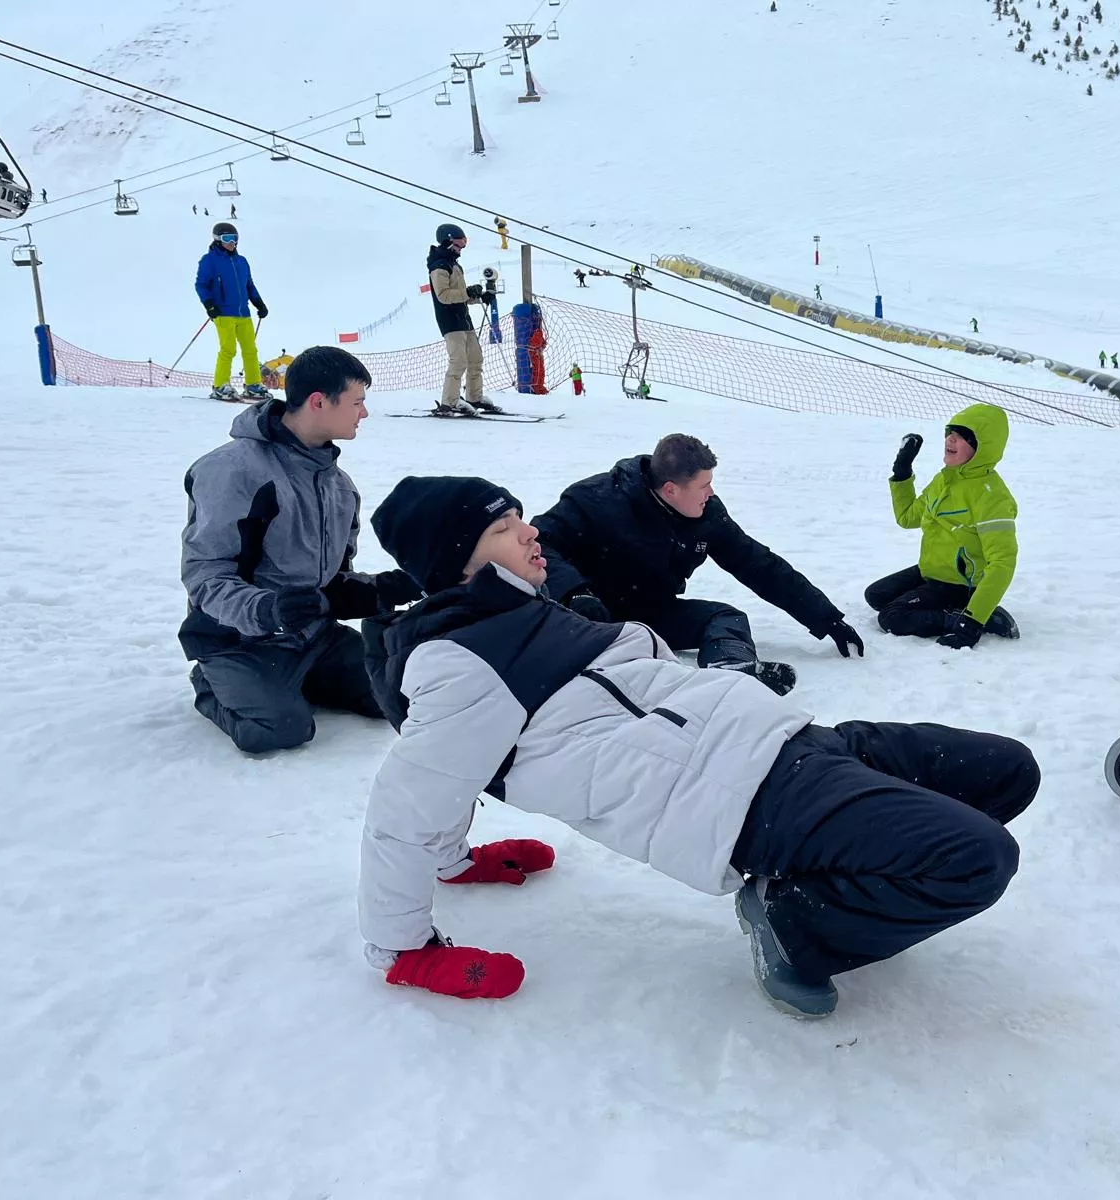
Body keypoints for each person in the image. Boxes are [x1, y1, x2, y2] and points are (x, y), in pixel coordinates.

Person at [357, 476, 1040, 1016]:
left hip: (793, 740)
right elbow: (409, 802)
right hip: (745, 800)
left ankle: (850, 883)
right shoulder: (459, 663)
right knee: (978, 858)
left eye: (520, 517)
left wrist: (459, 862)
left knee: (1008, 770)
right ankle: (796, 922)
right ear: (460, 562)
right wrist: (404, 949)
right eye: (505, 529)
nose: (532, 532)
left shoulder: (526, 609)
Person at [179, 346, 422, 754]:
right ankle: (213, 684)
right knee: (280, 730)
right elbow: (206, 575)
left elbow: (333, 579)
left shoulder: (338, 485)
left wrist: (380, 589)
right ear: (318, 402)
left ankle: (302, 678)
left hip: (314, 638)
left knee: (400, 695)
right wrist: (267, 610)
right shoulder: (233, 471)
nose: (364, 414)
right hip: (239, 641)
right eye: (357, 402)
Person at [532, 434, 864, 695]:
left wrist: (827, 618)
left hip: (649, 613)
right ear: (671, 489)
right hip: (588, 617)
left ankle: (731, 669)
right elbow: (539, 540)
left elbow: (758, 564)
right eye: (704, 485)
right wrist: (574, 593)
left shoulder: (708, 515)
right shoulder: (596, 499)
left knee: (725, 616)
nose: (711, 492)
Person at [865, 403, 1020, 647]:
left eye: (962, 436)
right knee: (876, 595)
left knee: (892, 617)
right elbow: (907, 517)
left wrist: (972, 621)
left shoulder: (992, 497)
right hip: (932, 571)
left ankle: (963, 615)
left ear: (983, 447)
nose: (950, 439)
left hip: (960, 583)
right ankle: (952, 608)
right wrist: (902, 472)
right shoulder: (945, 479)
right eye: (950, 432)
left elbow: (1003, 563)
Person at [427, 222, 505, 417]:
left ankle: (473, 397)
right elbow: (443, 295)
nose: (460, 249)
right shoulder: (439, 266)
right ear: (446, 241)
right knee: (459, 361)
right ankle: (450, 402)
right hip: (450, 321)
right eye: (458, 245)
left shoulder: (454, 264)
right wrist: (466, 292)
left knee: (475, 358)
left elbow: (459, 294)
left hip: (463, 318)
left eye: (463, 245)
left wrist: (477, 296)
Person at [195, 222, 270, 401]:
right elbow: (201, 285)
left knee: (250, 350)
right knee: (228, 349)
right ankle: (221, 385)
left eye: (235, 239)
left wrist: (259, 303)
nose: (232, 243)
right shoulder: (209, 260)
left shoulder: (241, 261)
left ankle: (253, 385)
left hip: (243, 313)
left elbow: (249, 285)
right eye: (227, 239)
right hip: (223, 313)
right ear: (217, 240)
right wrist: (210, 305)